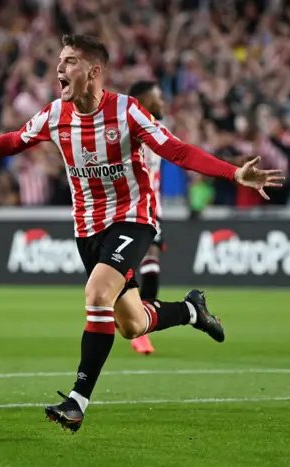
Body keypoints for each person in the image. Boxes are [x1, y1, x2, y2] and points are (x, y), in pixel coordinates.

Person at [0, 34, 283, 432]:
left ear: (93, 72)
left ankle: (78, 399)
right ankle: (193, 309)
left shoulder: (127, 112)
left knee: (97, 293)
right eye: (59, 61)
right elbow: (12, 141)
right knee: (132, 324)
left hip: (132, 219)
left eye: (69, 61)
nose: (59, 69)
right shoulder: (56, 115)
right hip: (87, 229)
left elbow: (177, 150)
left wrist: (233, 172)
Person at [127, 81, 166, 356]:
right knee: (122, 271)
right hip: (127, 209)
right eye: (157, 96)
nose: (162, 100)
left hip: (153, 209)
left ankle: (141, 327)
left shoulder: (160, 130)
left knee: (152, 262)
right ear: (144, 99)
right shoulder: (127, 128)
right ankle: (131, 322)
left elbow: (186, 152)